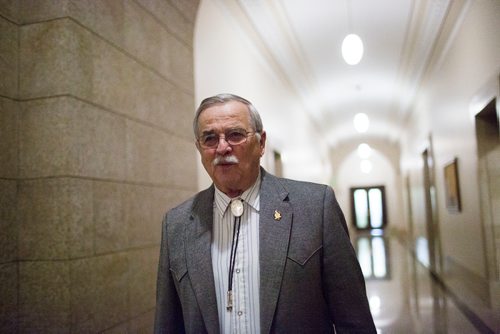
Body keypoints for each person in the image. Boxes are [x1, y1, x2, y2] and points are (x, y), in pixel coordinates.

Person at [154, 93, 376, 333]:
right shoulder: (176, 225)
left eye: (235, 135)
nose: (222, 147)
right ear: (199, 149)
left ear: (261, 143)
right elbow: (168, 323)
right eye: (209, 138)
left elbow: (354, 320)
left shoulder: (315, 208)